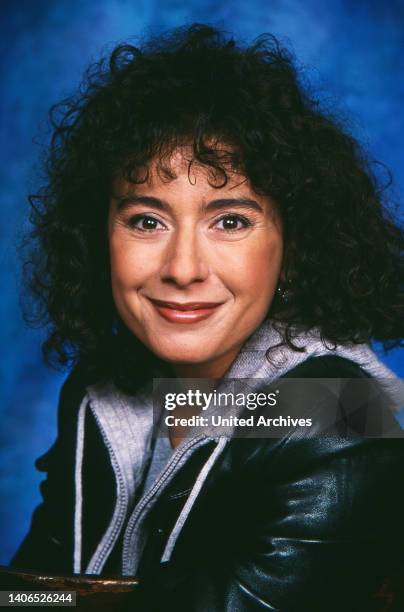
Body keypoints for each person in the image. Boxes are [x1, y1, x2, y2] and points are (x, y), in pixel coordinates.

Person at [10, 23, 404, 611]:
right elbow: (30, 593)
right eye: (147, 220)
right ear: (100, 238)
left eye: (231, 221)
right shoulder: (109, 387)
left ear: (292, 246)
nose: (184, 268)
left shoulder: (345, 412)